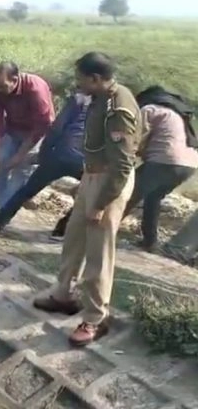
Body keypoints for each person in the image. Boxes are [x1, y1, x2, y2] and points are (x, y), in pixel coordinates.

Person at [33, 52, 142, 347]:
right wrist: (87, 180)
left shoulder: (118, 107)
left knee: (98, 252)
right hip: (94, 176)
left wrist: (100, 203)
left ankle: (95, 318)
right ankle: (63, 294)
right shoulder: (100, 98)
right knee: (74, 236)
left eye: (81, 78)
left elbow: (122, 165)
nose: (77, 83)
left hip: (109, 184)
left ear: (95, 78)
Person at [0, 92, 91, 244]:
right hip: (85, 159)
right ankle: (63, 229)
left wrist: (44, 154)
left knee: (26, 191)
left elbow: (56, 128)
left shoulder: (79, 99)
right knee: (90, 192)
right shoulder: (107, 104)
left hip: (60, 155)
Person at [120, 86, 198, 252]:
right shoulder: (177, 114)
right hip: (189, 165)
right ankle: (150, 242)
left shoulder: (150, 109)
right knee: (153, 198)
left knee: (128, 194)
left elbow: (135, 138)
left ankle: (104, 229)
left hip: (165, 161)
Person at [0, 62, 55, 213]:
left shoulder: (35, 89)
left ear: (15, 79)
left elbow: (43, 125)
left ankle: (1, 215)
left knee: (21, 171)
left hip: (35, 134)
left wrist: (19, 156)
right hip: (12, 130)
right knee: (0, 165)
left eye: (3, 86)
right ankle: (1, 211)